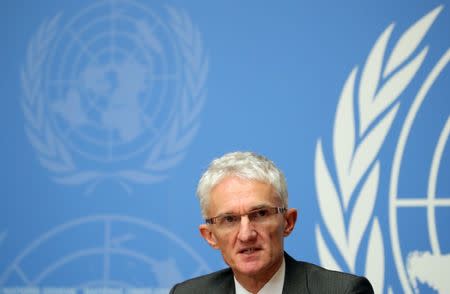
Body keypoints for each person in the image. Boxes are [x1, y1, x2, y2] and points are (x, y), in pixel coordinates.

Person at [170, 151, 374, 294]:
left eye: (259, 214)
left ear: (288, 222)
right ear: (210, 236)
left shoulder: (344, 291)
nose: (246, 234)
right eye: (229, 219)